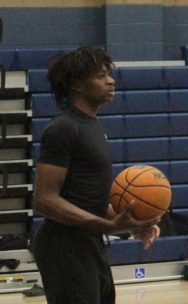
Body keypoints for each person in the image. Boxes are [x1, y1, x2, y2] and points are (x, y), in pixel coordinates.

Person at [33, 47, 159, 304]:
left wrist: (133, 223)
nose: (111, 80)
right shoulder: (63, 128)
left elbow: (88, 200)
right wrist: (108, 226)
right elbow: (45, 200)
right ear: (78, 85)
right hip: (64, 247)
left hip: (89, 243)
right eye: (101, 76)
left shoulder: (92, 126)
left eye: (109, 75)